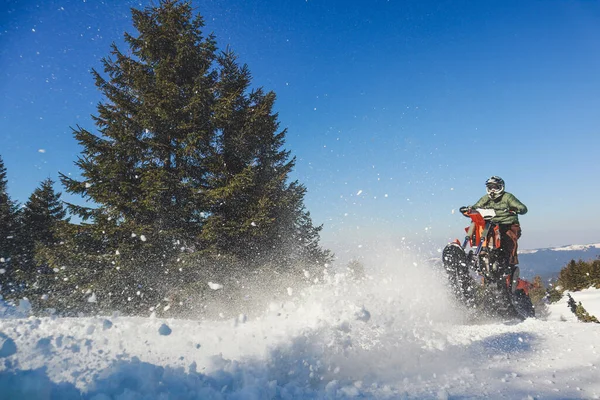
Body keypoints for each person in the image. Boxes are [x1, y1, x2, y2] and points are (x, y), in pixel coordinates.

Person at [467, 176, 527, 266]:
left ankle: (509, 263)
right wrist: (470, 209)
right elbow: (477, 206)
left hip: (508, 224)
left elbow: (523, 208)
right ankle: (476, 252)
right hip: (492, 224)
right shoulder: (486, 198)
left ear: (501, 187)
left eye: (495, 187)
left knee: (509, 240)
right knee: (476, 223)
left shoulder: (508, 197)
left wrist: (514, 209)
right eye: (490, 187)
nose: (492, 190)